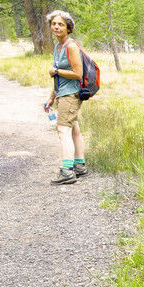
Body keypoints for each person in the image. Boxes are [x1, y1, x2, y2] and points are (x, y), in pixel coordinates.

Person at [43, 10, 88, 185]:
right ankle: (79, 166)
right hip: (62, 94)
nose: (56, 26)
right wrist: (51, 97)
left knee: (63, 131)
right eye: (54, 23)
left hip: (71, 95)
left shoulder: (70, 46)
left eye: (60, 24)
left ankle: (67, 171)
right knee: (74, 129)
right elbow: (58, 78)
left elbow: (78, 73)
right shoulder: (58, 46)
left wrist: (56, 71)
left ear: (68, 28)